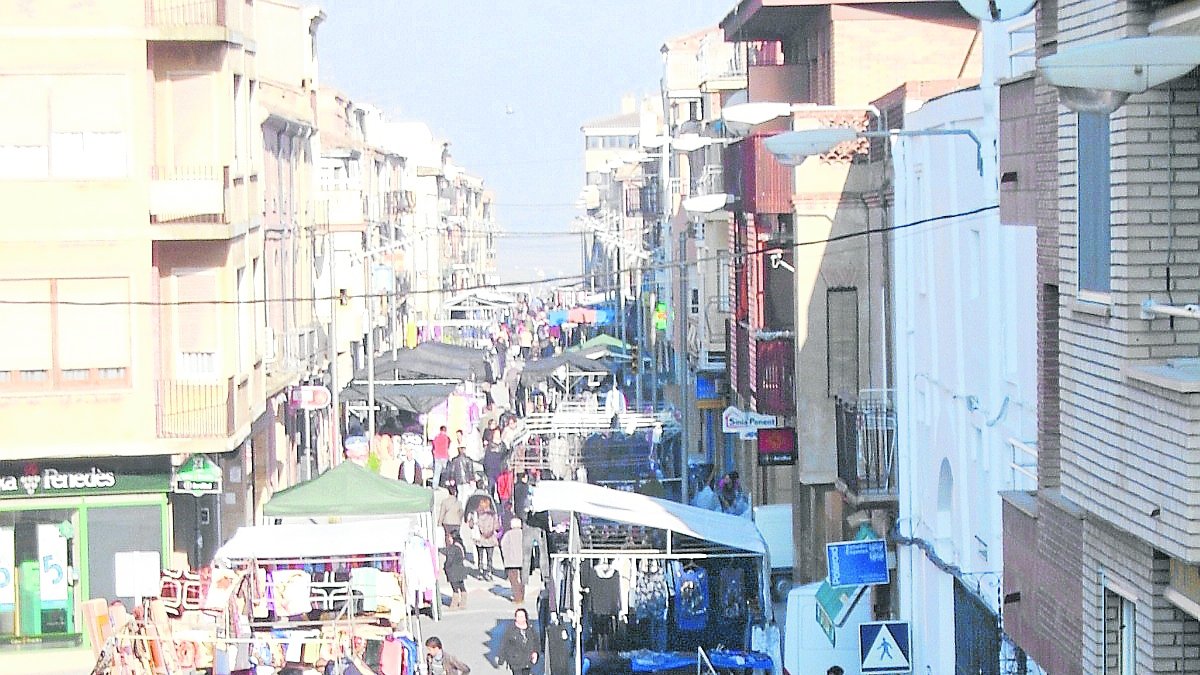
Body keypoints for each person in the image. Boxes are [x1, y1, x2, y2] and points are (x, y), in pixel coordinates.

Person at [499, 608, 539, 675]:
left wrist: (535, 653)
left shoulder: (531, 629)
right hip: (515, 661)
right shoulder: (510, 630)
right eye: (518, 616)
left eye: (522, 616)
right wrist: (501, 659)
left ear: (525, 618)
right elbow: (504, 644)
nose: (520, 618)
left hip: (527, 660)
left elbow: (536, 642)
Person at [469, 497, 500, 579]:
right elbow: (497, 526)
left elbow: (472, 525)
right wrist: (491, 531)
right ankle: (488, 572)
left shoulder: (477, 513)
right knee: (490, 557)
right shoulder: (493, 514)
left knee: (480, 556)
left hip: (480, 538)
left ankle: (480, 571)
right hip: (490, 538)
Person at [440, 532, 468, 610]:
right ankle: (463, 602)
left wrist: (445, 567)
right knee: (462, 587)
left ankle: (454, 604)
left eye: (449, 537)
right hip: (461, 570)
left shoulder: (452, 548)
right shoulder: (460, 546)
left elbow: (449, 560)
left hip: (453, 571)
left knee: (455, 589)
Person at [501, 518, 526, 603]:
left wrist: (506, 557)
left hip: (511, 561)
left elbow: (503, 546)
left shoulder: (508, 534)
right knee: (523, 579)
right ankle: (522, 596)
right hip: (523, 560)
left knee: (513, 580)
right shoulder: (524, 534)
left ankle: (517, 597)